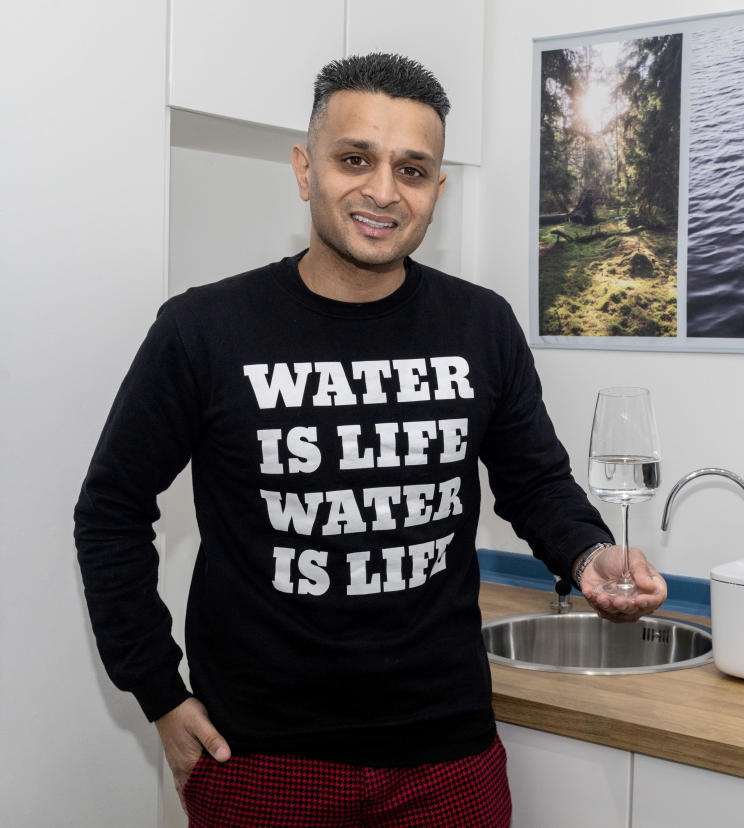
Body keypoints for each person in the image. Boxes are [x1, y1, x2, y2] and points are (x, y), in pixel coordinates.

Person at [74, 52, 667, 827]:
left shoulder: (481, 325)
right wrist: (158, 690)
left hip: (446, 755)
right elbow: (111, 509)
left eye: (412, 170)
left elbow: (535, 484)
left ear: (437, 190)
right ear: (304, 168)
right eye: (355, 159)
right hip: (262, 760)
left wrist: (591, 555)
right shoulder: (205, 330)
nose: (383, 191)